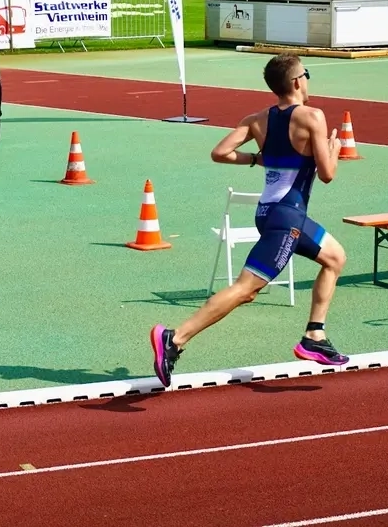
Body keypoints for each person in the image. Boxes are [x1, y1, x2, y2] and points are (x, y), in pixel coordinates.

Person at [150, 54, 350, 387]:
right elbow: (327, 174)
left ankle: (315, 334)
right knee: (245, 290)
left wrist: (256, 158)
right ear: (298, 81)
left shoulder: (257, 119)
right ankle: (175, 337)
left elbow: (220, 152)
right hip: (287, 218)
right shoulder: (313, 116)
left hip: (270, 213)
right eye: (307, 75)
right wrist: (333, 147)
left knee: (335, 257)